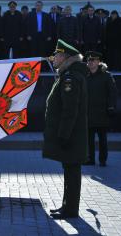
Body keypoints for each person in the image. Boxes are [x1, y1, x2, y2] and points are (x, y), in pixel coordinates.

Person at [43, 39, 88, 219]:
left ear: (65, 57)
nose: (53, 58)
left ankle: (70, 209)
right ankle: (66, 206)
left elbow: (70, 110)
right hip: (71, 134)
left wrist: (63, 135)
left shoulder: (70, 78)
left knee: (72, 173)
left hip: (71, 135)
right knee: (69, 172)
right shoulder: (67, 74)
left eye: (56, 55)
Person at [84, 51, 117, 166]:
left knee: (102, 139)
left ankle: (103, 160)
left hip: (102, 112)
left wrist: (111, 106)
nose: (90, 62)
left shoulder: (106, 75)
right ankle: (90, 159)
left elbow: (112, 93)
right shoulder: (85, 75)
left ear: (98, 62)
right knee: (89, 139)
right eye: (88, 60)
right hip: (88, 112)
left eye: (93, 60)